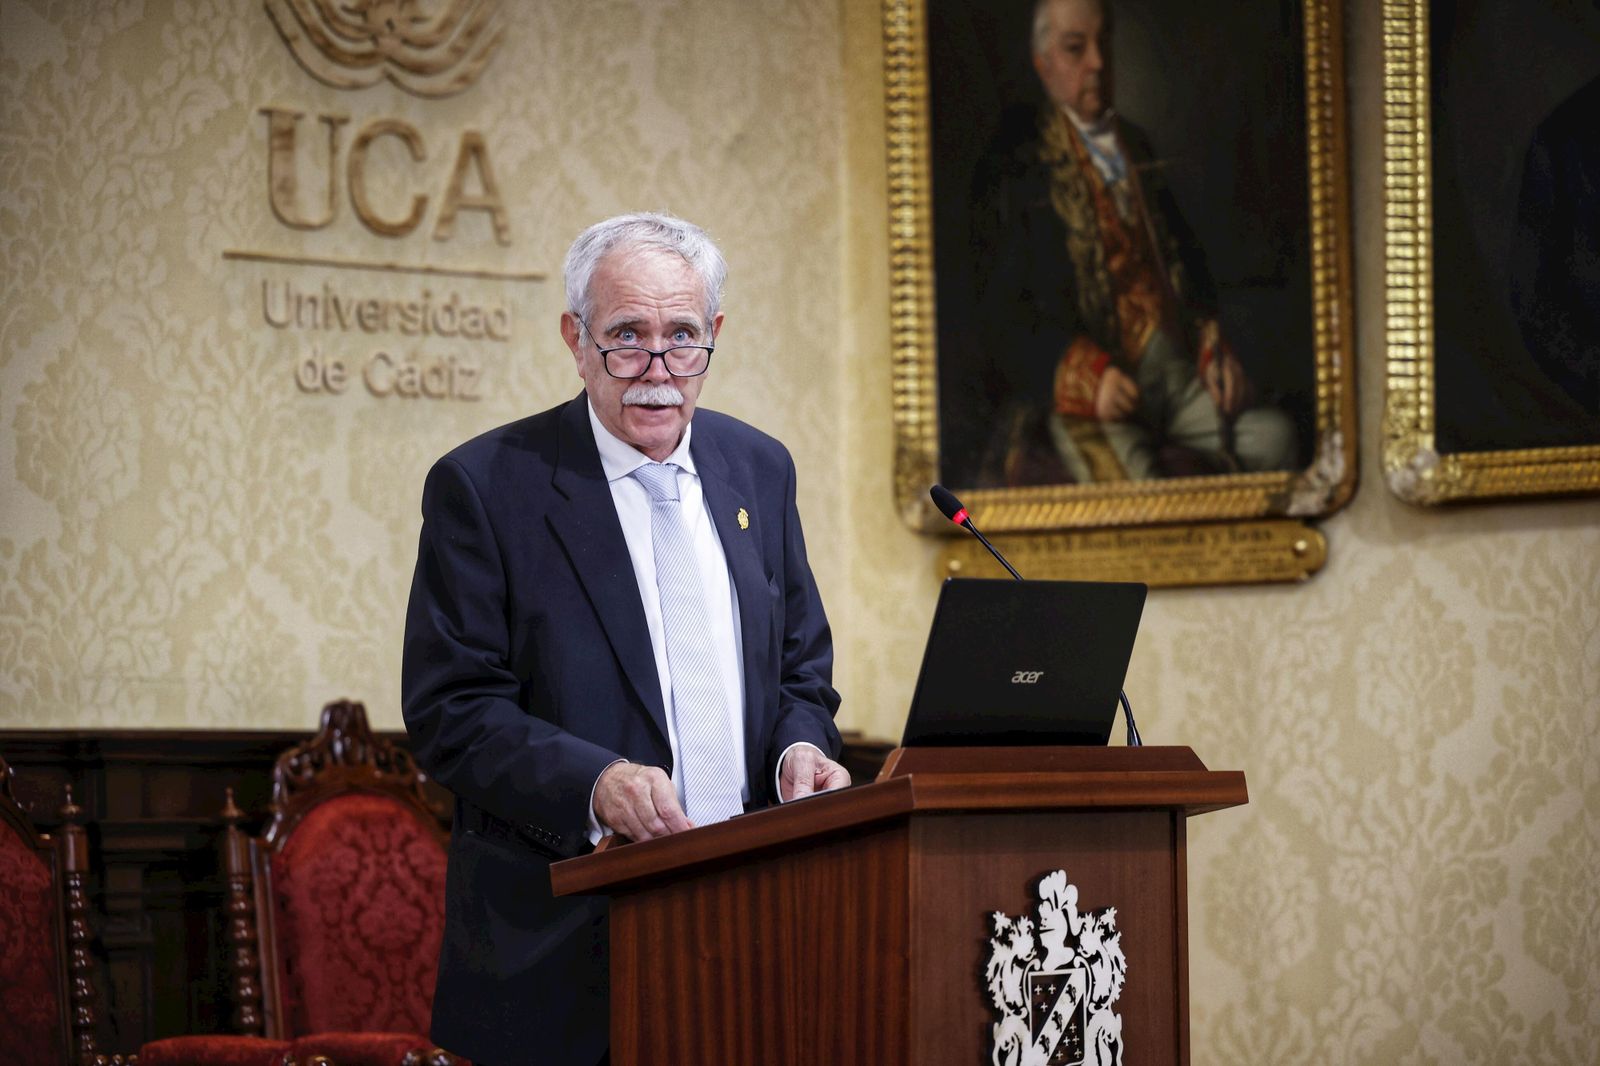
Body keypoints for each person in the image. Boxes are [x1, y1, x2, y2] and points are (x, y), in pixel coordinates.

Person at [401, 213, 850, 1066]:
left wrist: (800, 749)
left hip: (758, 933)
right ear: (575, 339)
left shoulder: (761, 470)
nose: (656, 370)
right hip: (568, 956)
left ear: (713, 335)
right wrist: (595, 782)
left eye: (682, 337)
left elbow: (801, 670)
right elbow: (451, 711)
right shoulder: (487, 485)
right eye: (626, 338)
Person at [970, 0, 1296, 485]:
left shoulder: (1137, 147)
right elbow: (1003, 311)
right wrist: (1086, 378)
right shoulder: (1017, 166)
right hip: (1094, 395)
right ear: (1043, 64)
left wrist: (1212, 348)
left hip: (1173, 378)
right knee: (1139, 490)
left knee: (1277, 440)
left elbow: (1189, 267)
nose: (1098, 63)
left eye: (1104, 46)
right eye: (1077, 49)